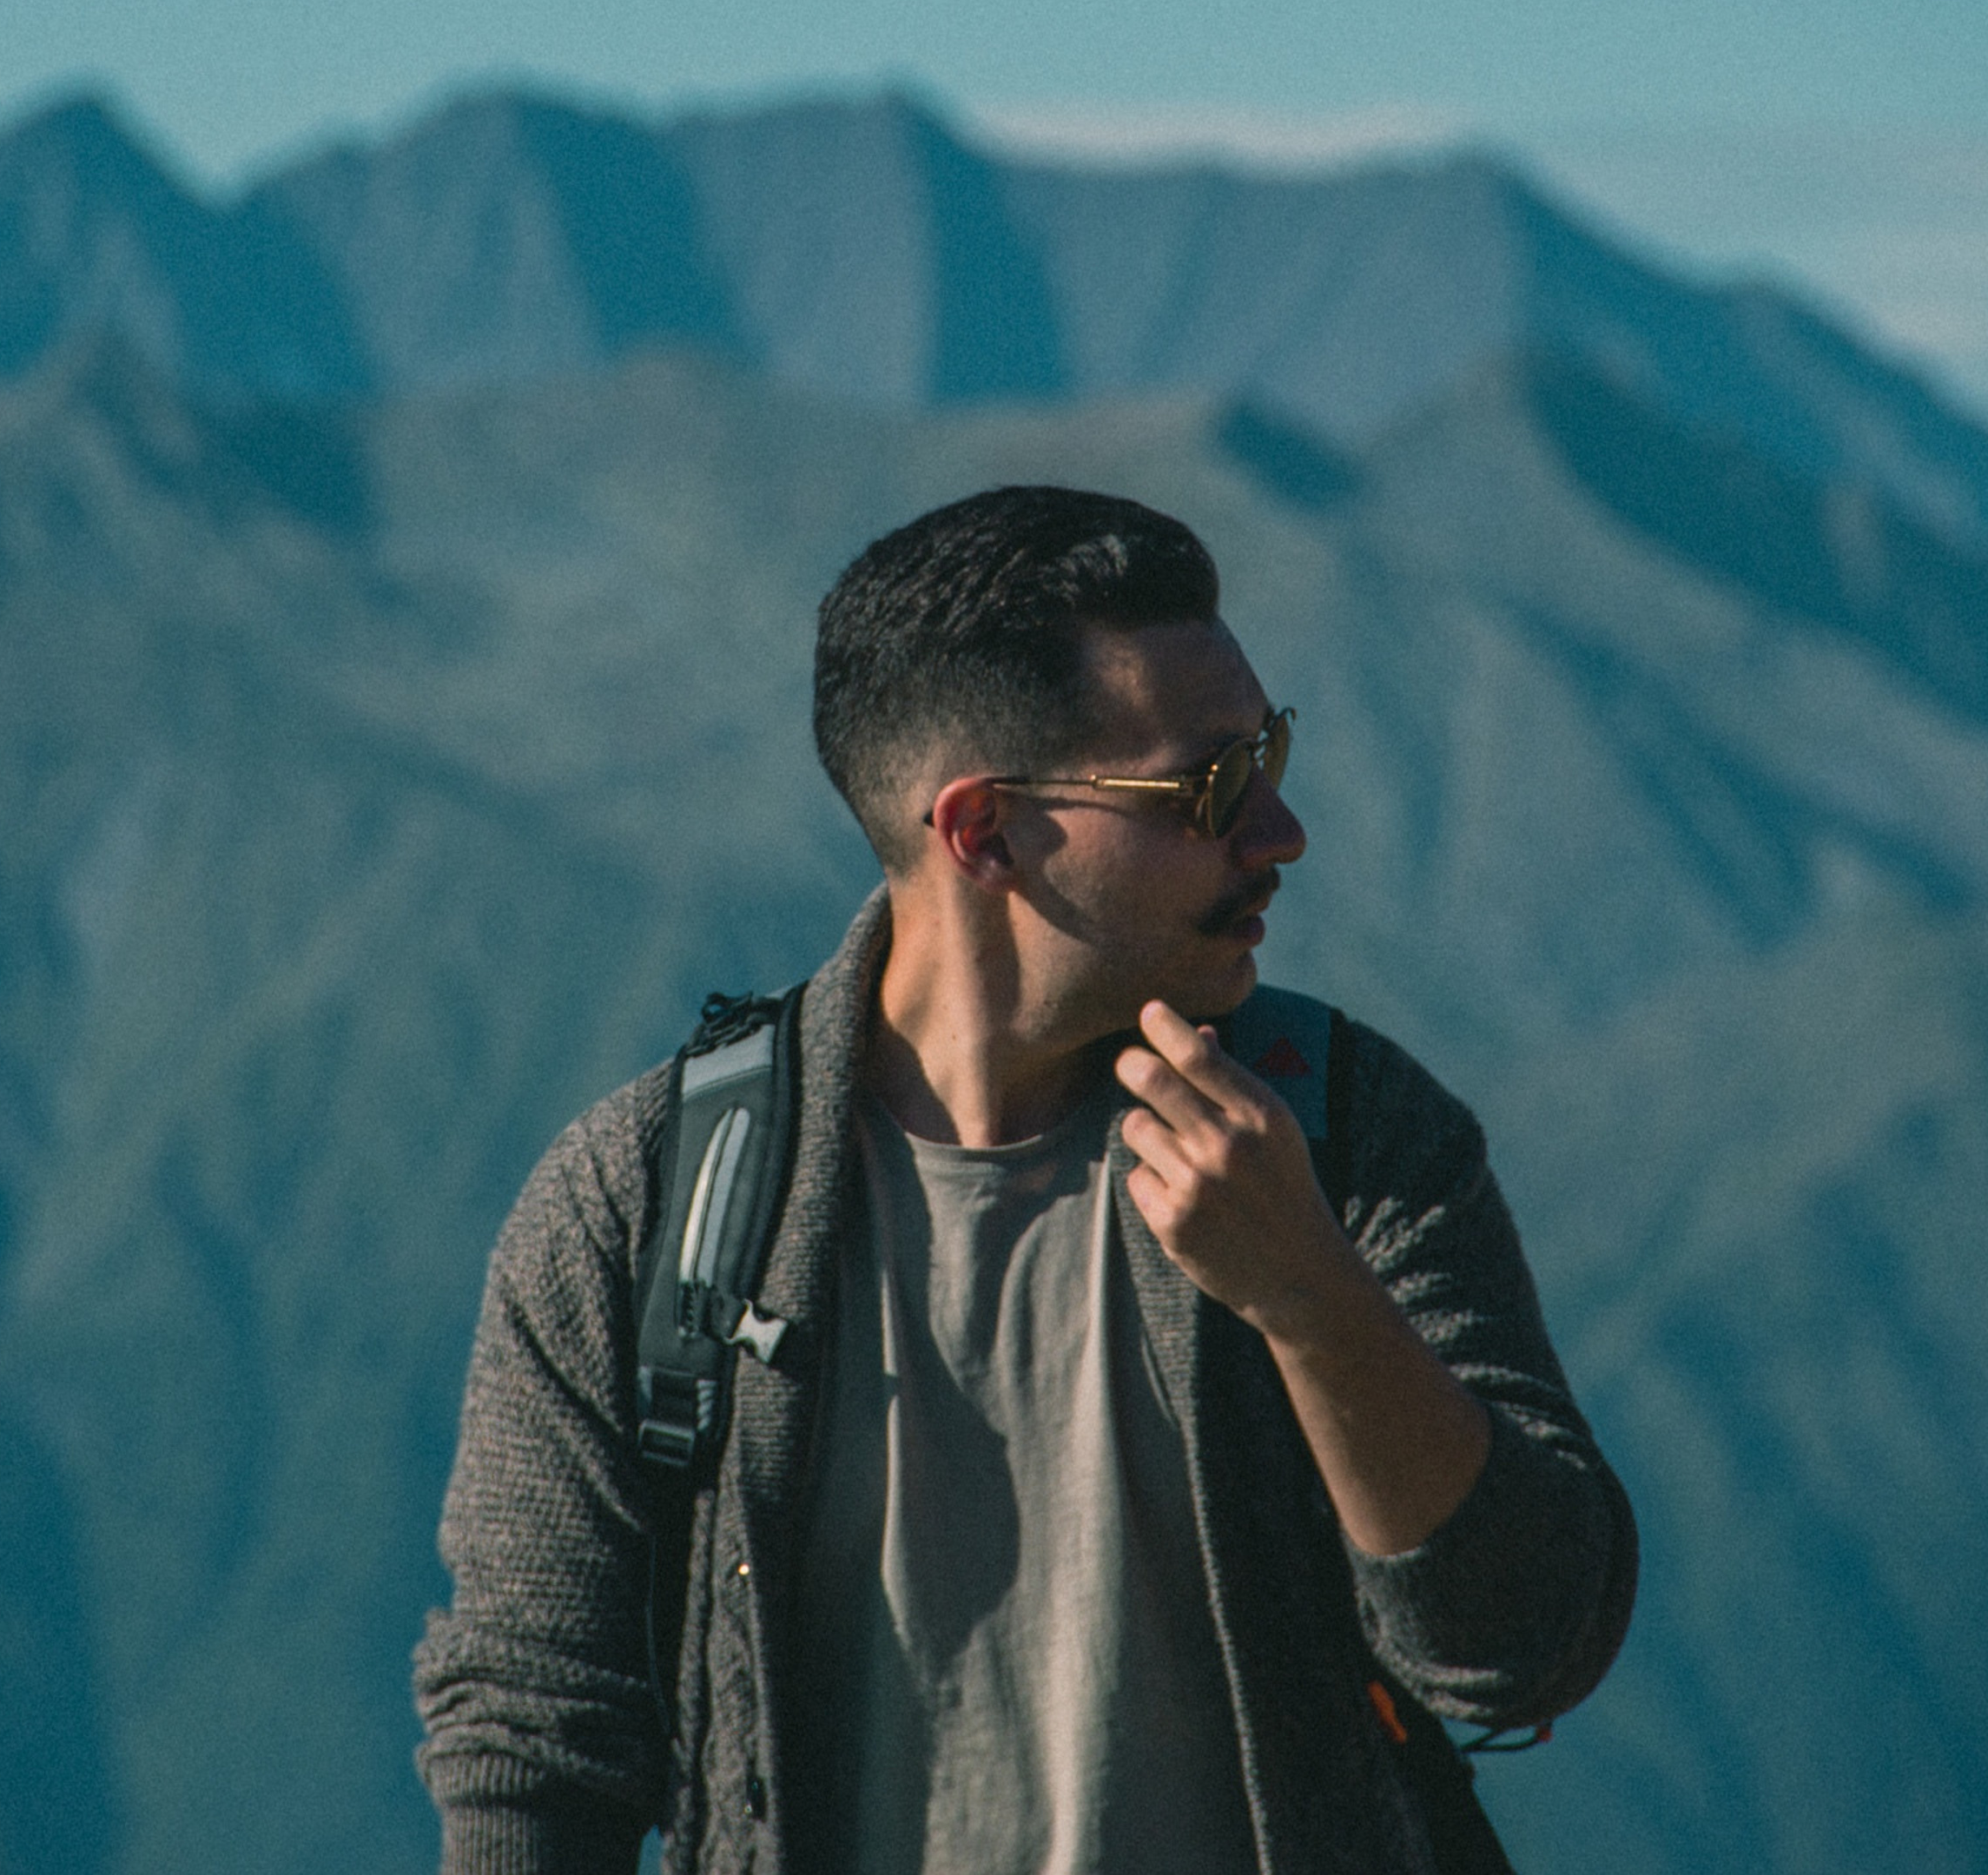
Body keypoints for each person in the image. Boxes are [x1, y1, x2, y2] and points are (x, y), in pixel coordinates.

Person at [414, 485, 1635, 1874]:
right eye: (1211, 786)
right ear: (983, 831)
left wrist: (1312, 1301)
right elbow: (531, 1753)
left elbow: (1525, 1648)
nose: (1281, 830)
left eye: (1270, 753)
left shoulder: (1348, 1142)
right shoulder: (643, 1205)